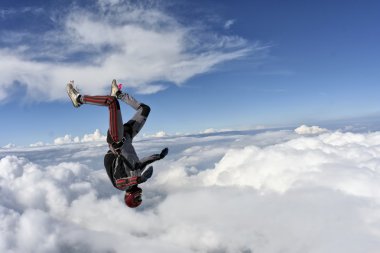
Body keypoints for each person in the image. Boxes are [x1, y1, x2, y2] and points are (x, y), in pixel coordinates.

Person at [66, 79, 168, 208]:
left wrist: (140, 179)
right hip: (128, 136)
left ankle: (78, 99)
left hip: (117, 140)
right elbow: (143, 163)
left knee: (111, 102)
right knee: (145, 109)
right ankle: (118, 94)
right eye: (140, 198)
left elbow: (122, 181)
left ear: (130, 197)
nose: (140, 195)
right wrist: (159, 156)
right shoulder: (136, 175)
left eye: (138, 198)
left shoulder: (121, 185)